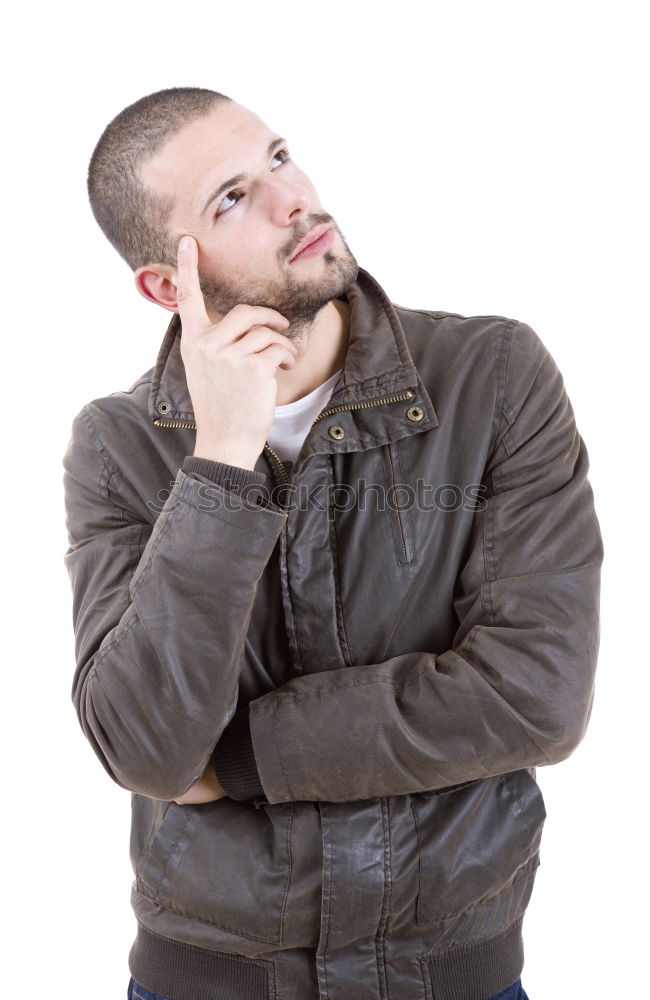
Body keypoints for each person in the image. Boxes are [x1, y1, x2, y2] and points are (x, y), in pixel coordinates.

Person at [62, 86, 603, 1000]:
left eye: (278, 158)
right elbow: (149, 750)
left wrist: (236, 758)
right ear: (166, 285)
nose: (293, 201)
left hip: (456, 976)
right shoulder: (119, 446)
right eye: (230, 199)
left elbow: (535, 698)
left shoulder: (494, 378)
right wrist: (222, 463)